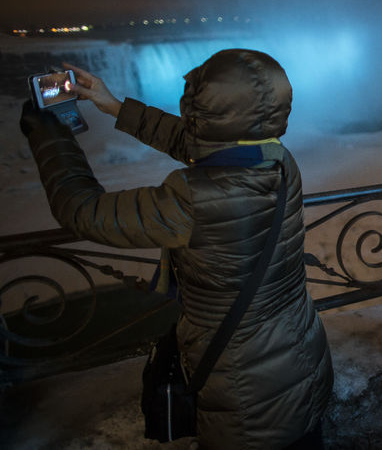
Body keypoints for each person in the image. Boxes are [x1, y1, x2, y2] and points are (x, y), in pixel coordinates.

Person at [20, 49, 333, 449]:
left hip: (245, 393)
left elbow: (82, 211)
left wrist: (48, 131)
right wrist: (113, 105)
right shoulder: (278, 159)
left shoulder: (192, 198)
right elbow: (196, 144)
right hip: (301, 356)